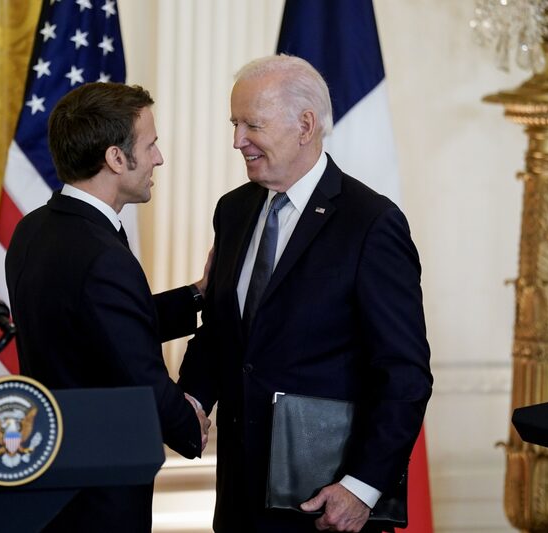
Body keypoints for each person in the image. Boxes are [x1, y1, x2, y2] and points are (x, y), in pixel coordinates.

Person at [178, 55, 433, 533]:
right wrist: (192, 400)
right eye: (234, 124)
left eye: (251, 124)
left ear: (306, 125)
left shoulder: (370, 224)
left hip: (327, 504)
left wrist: (362, 487)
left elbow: (404, 373)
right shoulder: (232, 211)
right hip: (239, 499)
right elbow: (223, 332)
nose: (237, 141)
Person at [5, 82, 211, 532]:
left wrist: (197, 294)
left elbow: (98, 326)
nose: (159, 158)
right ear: (116, 159)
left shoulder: (34, 229)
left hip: (51, 474)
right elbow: (138, 373)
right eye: (150, 144)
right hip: (102, 490)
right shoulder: (102, 256)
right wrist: (190, 426)